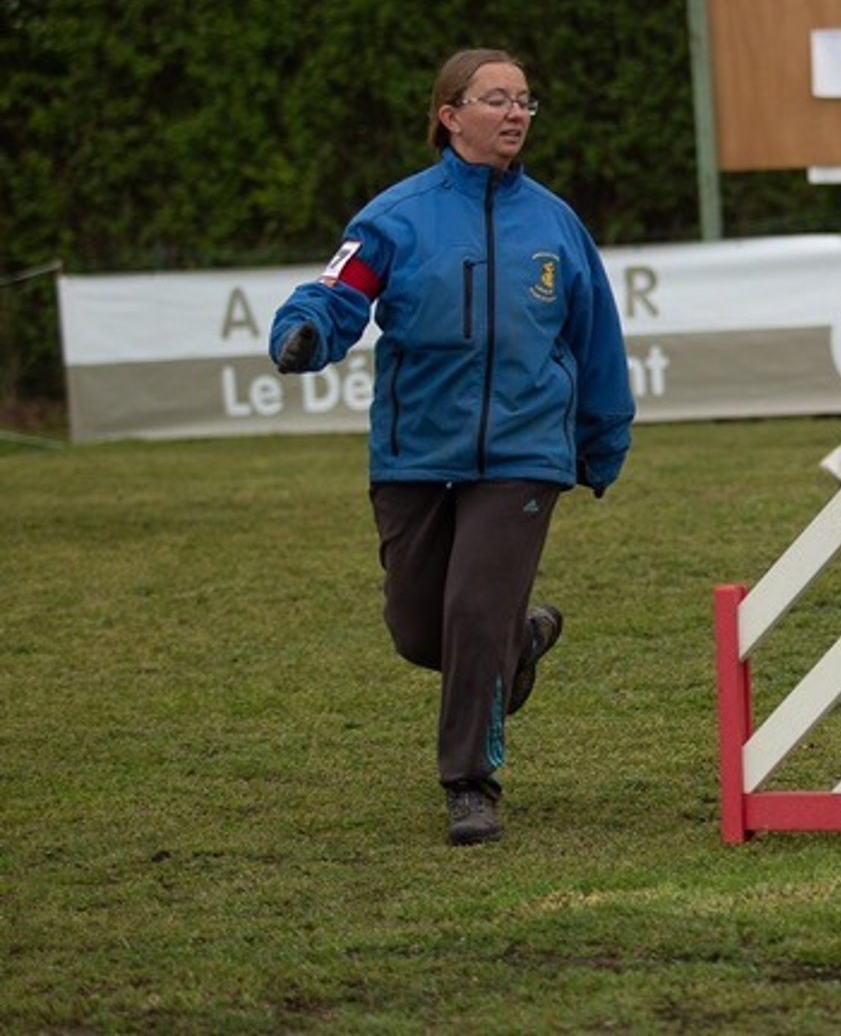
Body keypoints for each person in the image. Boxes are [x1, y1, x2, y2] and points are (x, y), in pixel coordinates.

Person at [269, 48, 634, 846]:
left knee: (472, 610)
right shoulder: (395, 217)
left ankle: (471, 783)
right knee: (417, 628)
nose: (516, 114)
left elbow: (595, 336)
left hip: (526, 451)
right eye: (498, 99)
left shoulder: (556, 224)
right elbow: (335, 296)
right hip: (415, 451)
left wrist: (601, 441)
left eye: (526, 101)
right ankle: (523, 639)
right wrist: (303, 333)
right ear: (449, 115)